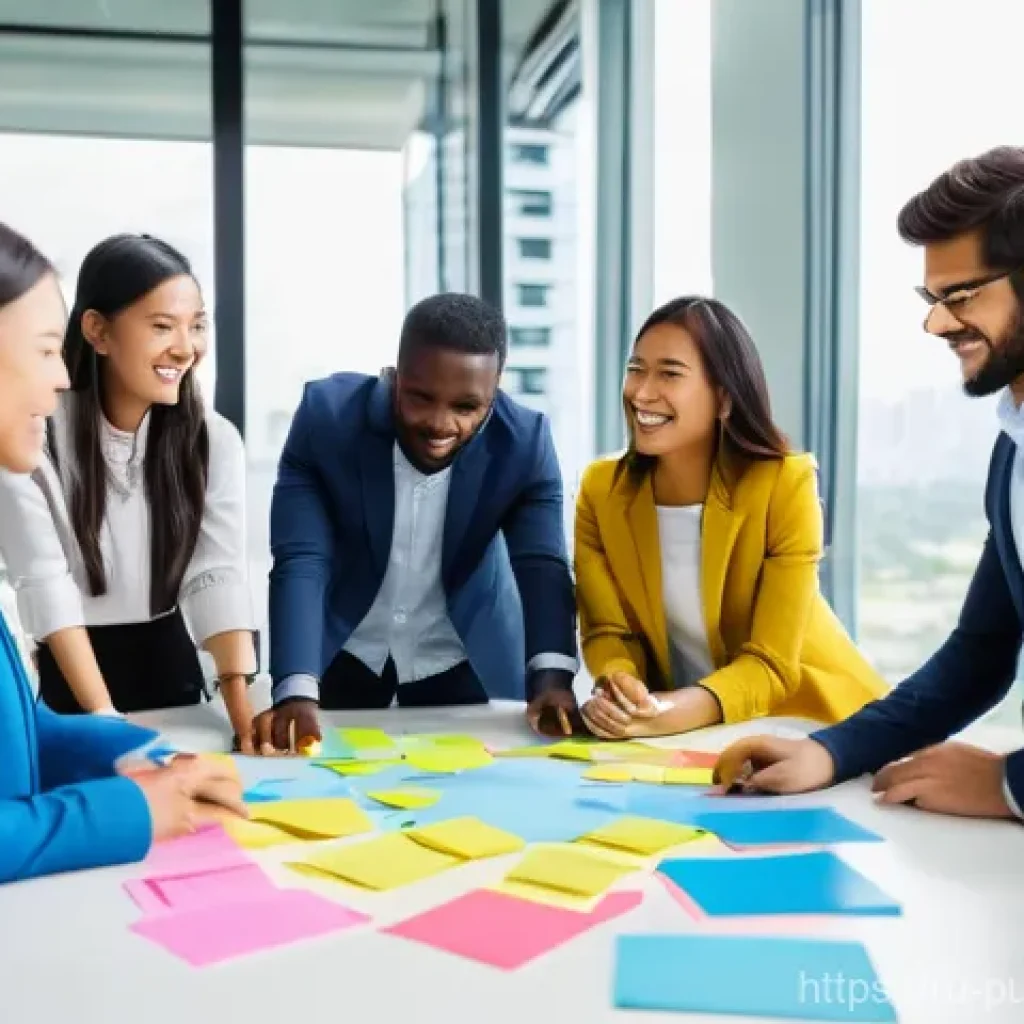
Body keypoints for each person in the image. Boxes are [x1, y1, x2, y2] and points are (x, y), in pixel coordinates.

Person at [714, 146, 1024, 821]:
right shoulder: (1014, 450)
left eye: (961, 296)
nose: (937, 323)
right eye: (931, 298)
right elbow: (981, 652)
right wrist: (830, 752)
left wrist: (1008, 785)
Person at [0, 220, 245, 883]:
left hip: (163, 668)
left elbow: (22, 742)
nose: (58, 382)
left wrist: (159, 749)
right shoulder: (36, 445)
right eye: (44, 351)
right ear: (98, 334)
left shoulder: (210, 439)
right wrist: (128, 799)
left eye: (197, 326)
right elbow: (45, 581)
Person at [255, 292, 578, 751]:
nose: (440, 423)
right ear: (396, 376)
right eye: (421, 398)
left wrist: (551, 676)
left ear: (495, 391)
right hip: (342, 653)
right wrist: (295, 687)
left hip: (463, 657)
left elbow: (543, 565)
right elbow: (301, 558)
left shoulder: (525, 443)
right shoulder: (327, 418)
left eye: (467, 407)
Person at [574, 296, 886, 740]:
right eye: (635, 369)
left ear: (724, 397)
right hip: (689, 736)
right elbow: (608, 631)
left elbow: (771, 664)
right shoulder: (601, 490)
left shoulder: (785, 484)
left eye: (669, 373)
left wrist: (664, 713)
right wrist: (623, 689)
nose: (641, 392)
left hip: (812, 725)